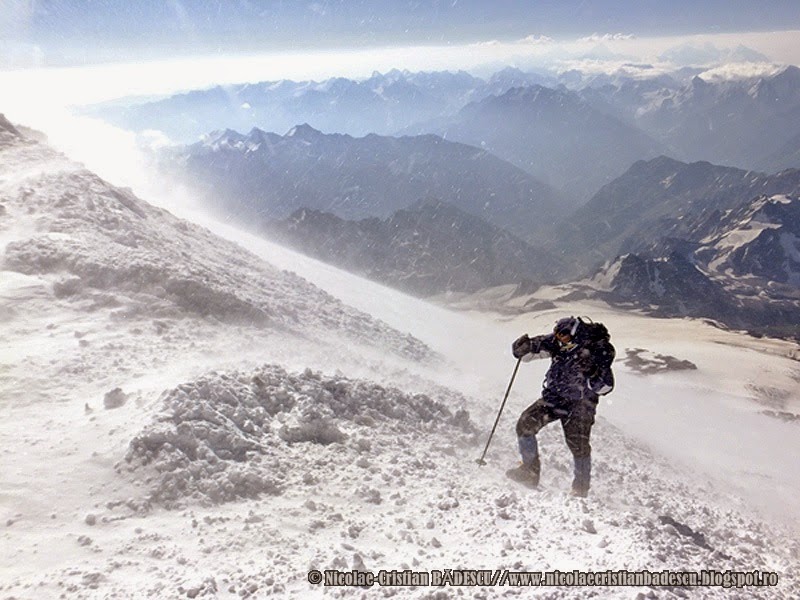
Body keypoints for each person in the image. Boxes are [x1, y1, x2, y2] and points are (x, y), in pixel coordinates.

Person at [506, 316, 615, 497]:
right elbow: (535, 348)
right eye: (557, 334)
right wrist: (523, 348)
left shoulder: (598, 349)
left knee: (578, 445)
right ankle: (529, 472)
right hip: (555, 398)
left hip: (581, 405)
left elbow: (606, 386)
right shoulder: (558, 341)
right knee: (525, 424)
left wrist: (592, 372)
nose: (559, 339)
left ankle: (580, 489)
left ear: (574, 333)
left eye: (563, 335)